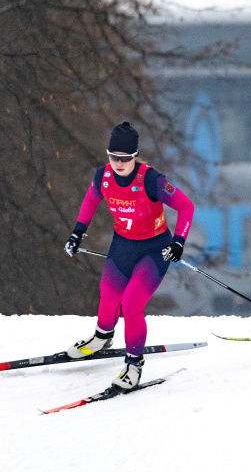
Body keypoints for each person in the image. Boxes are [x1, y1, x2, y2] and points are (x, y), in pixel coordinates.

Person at [63, 122, 195, 390]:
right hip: (123, 244)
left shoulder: (150, 180)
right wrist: (78, 233)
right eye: (114, 157)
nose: (119, 163)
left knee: (131, 303)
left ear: (134, 156)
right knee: (108, 293)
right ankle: (102, 337)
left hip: (154, 249)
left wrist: (179, 241)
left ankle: (134, 365)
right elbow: (90, 201)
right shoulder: (104, 177)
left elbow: (185, 205)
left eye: (125, 158)